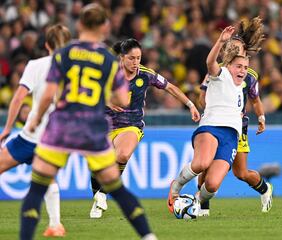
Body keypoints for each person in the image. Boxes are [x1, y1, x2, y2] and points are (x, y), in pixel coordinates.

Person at [20, 4, 157, 240]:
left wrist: (35, 120)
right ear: (104, 27)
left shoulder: (64, 54)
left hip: (61, 126)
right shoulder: (107, 58)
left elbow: (48, 93)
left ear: (80, 25)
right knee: (116, 188)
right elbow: (123, 98)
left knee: (38, 185)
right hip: (93, 127)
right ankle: (148, 236)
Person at [89, 38, 201, 218]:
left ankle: (102, 193)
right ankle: (97, 195)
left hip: (131, 126)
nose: (135, 63)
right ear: (122, 57)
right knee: (96, 167)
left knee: (123, 155)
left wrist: (190, 105)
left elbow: (170, 88)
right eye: (131, 59)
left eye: (138, 58)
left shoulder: (145, 75)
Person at [167, 25, 249, 213]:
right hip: (211, 127)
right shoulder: (221, 74)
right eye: (239, 66)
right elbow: (210, 61)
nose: (242, 70)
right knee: (202, 164)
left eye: (245, 67)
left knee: (212, 185)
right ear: (229, 66)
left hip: (231, 137)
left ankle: (195, 203)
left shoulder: (240, 85)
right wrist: (220, 42)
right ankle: (176, 187)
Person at [0, 24, 72, 237]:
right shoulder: (74, 69)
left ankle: (55, 225)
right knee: (47, 177)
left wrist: (7, 128)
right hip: (55, 138)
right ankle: (56, 225)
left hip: (31, 136)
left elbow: (19, 98)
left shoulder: (36, 65)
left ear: (47, 44)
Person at [197, 18, 272, 216]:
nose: (237, 51)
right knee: (205, 166)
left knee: (241, 173)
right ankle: (202, 206)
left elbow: (255, 100)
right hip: (215, 124)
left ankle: (265, 189)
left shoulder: (249, 74)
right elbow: (201, 98)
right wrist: (216, 109)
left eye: (239, 48)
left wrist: (262, 118)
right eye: (233, 47)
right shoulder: (217, 71)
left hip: (239, 127)